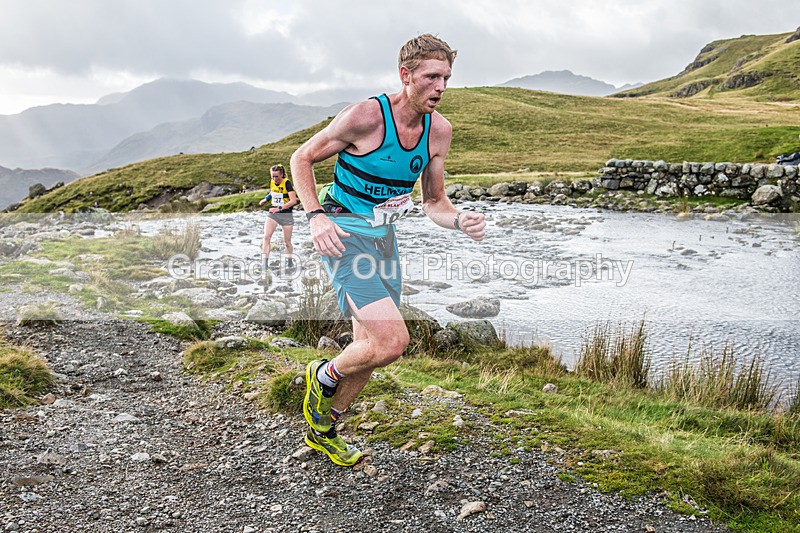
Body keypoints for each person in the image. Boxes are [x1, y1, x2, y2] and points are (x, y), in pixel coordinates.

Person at [290, 34, 486, 466]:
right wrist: (315, 216)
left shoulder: (439, 131)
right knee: (393, 341)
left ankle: (325, 427)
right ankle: (321, 375)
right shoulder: (365, 117)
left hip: (384, 241)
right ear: (406, 75)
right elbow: (301, 159)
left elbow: (434, 201)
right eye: (432, 77)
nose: (441, 87)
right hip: (344, 236)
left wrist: (459, 221)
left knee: (370, 347)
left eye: (447, 78)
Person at [258, 164, 297, 270]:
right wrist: (265, 199)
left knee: (287, 242)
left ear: (282, 175)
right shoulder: (272, 182)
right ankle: (264, 264)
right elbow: (273, 191)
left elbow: (293, 201)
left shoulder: (287, 183)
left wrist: (279, 208)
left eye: (277, 177)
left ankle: (289, 263)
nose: (274, 179)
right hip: (273, 214)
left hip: (286, 214)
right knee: (266, 237)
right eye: (273, 176)